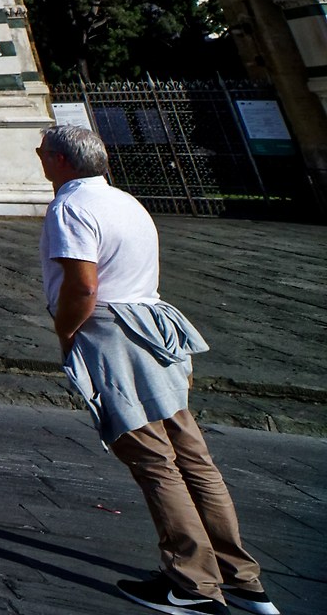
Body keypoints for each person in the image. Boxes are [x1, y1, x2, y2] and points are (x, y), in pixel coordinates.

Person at [36, 124, 276, 615]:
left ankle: (193, 584)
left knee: (152, 459)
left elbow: (83, 287)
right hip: (154, 326)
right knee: (192, 456)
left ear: (60, 160)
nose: (38, 157)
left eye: (42, 151)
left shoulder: (70, 206)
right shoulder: (126, 201)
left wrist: (66, 333)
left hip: (113, 332)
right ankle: (240, 577)